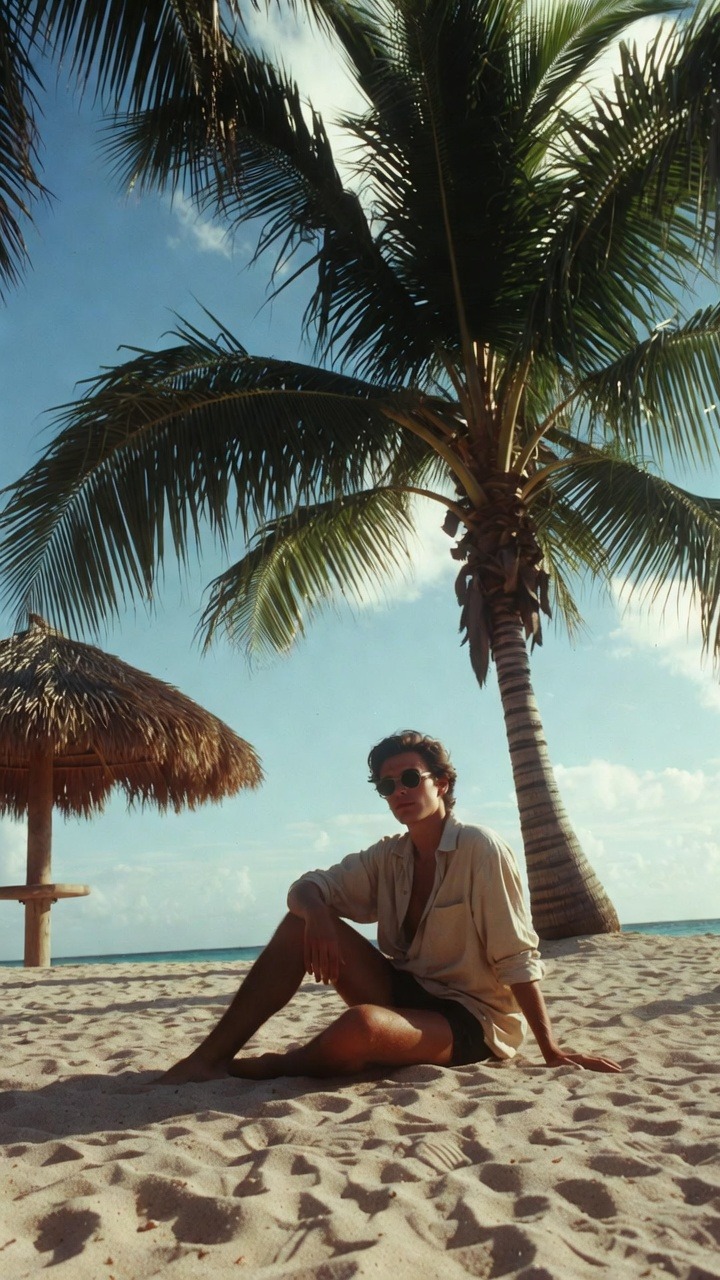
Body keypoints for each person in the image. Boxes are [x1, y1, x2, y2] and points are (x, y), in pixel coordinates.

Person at [161, 730, 621, 1084]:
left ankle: (273, 1066)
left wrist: (551, 1049)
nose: (398, 791)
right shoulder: (390, 855)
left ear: (440, 782)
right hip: (405, 989)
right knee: (297, 923)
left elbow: (517, 956)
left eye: (408, 778)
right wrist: (318, 914)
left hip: (471, 1018)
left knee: (360, 1027)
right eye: (387, 784)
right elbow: (306, 886)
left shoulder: (480, 849)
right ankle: (209, 1059)